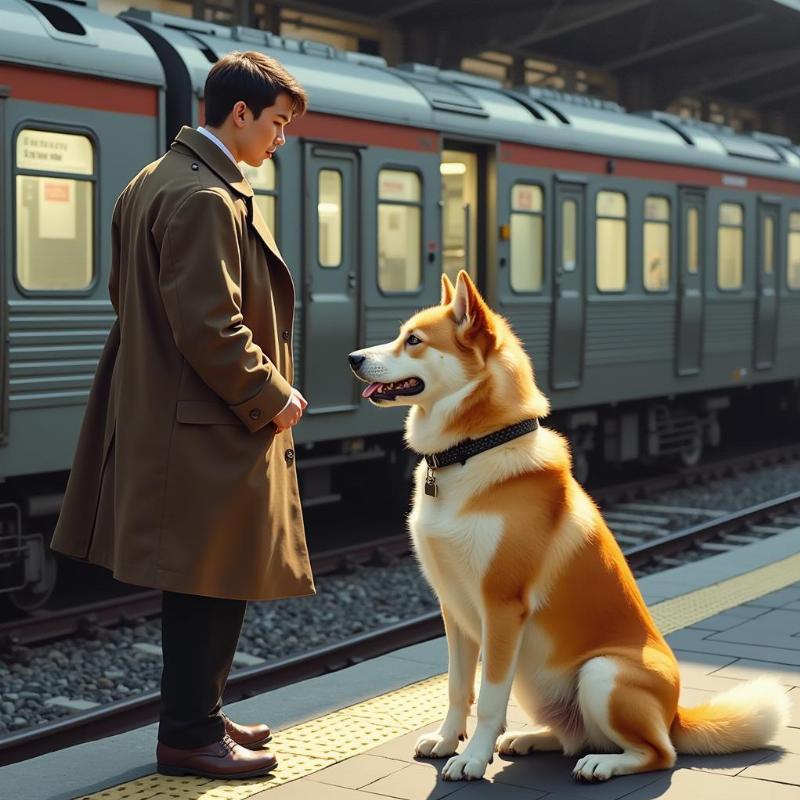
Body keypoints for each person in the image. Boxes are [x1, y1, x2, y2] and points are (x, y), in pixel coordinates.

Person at [50, 51, 315, 780]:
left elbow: (125, 295)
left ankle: (200, 711)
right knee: (212, 577)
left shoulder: (152, 179)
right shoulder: (205, 196)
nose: (280, 139)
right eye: (277, 123)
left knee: (203, 577)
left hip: (177, 413)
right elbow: (210, 325)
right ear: (240, 114)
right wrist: (271, 394)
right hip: (206, 423)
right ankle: (191, 734)